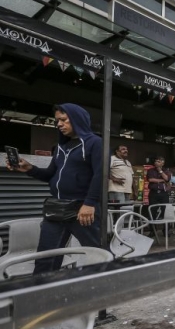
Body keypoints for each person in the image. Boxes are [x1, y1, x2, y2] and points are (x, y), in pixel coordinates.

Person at [5, 103, 102, 274]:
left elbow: (100, 174)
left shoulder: (95, 143)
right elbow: (50, 174)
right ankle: (40, 292)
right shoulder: (60, 147)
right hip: (56, 208)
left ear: (77, 120)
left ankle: (110, 284)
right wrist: (29, 169)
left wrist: (90, 203)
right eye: (57, 121)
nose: (59, 124)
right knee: (45, 256)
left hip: (82, 208)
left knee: (98, 252)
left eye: (64, 120)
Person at [146, 156, 171, 221]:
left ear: (163, 163)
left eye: (159, 162)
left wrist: (160, 170)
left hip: (163, 193)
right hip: (153, 193)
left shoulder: (166, 171)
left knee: (165, 210)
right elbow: (151, 179)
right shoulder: (150, 170)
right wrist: (162, 180)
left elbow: (167, 178)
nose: (156, 163)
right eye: (156, 161)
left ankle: (165, 229)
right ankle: (152, 230)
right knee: (152, 211)